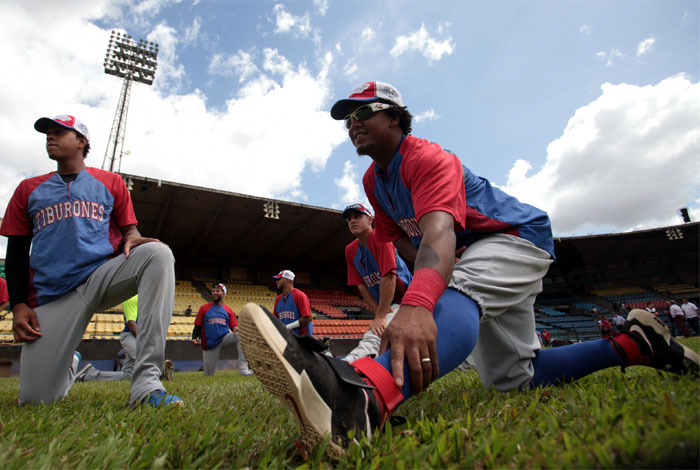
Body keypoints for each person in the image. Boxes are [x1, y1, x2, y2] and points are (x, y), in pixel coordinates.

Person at [237, 81, 700, 453]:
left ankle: (361, 398)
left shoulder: (427, 157)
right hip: (469, 253)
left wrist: (421, 302)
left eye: (363, 113)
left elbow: (439, 233)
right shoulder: (373, 180)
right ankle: (637, 344)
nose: (353, 124)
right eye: (347, 120)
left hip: (512, 237)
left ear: (394, 117)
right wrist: (432, 278)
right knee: (515, 378)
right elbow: (405, 241)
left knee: (453, 296)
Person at [0, 114, 181, 407]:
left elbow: (130, 229)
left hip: (100, 277)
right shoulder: (28, 188)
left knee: (157, 253)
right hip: (52, 293)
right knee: (35, 401)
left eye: (59, 132)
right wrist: (19, 304)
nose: (50, 137)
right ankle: (70, 363)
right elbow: (17, 253)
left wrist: (133, 236)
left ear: (82, 142)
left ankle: (147, 384)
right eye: (47, 133)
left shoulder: (110, 181)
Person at [340, 203, 412, 362]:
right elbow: (361, 286)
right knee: (385, 334)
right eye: (349, 219)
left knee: (376, 333)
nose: (352, 221)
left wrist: (380, 316)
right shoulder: (350, 250)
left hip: (407, 299)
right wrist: (378, 311)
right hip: (388, 304)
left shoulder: (381, 237)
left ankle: (352, 363)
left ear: (370, 219)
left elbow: (389, 278)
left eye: (357, 216)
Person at [192, 282, 252, 376]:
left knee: (241, 334)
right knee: (209, 375)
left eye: (218, 291)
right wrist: (194, 338)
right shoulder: (204, 308)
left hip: (224, 339)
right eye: (213, 291)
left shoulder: (228, 310)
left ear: (223, 294)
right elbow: (197, 326)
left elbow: (234, 327)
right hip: (210, 344)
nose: (215, 293)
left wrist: (236, 329)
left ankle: (244, 371)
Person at [75, 294, 138, 382]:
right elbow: (131, 323)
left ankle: (90, 374)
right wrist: (146, 339)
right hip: (130, 335)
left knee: (128, 376)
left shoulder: (149, 300)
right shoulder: (132, 298)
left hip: (138, 336)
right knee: (146, 357)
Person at [272, 270, 313, 336]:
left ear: (286, 279)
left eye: (279, 279)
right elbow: (275, 319)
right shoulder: (278, 299)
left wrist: (288, 327)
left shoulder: (299, 295)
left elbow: (308, 318)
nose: (276, 282)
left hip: (300, 339)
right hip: (285, 338)